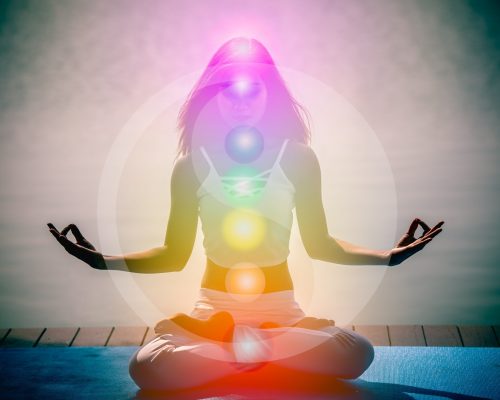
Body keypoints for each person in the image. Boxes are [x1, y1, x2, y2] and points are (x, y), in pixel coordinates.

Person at [48, 37, 443, 392]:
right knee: (147, 367)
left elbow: (321, 244)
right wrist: (103, 262)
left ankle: (242, 350)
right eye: (227, 90)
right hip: (212, 312)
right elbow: (173, 254)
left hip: (282, 312)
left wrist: (387, 257)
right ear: (213, 95)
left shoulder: (299, 159)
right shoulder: (190, 166)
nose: (240, 102)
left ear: (268, 94)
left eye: (251, 90)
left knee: (357, 353)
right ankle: (256, 350)